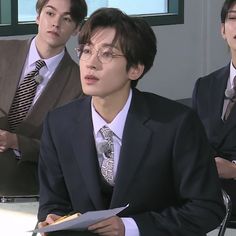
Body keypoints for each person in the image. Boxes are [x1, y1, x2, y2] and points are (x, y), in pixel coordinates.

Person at [38, 7, 224, 236]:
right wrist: (54, 220)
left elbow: (207, 209)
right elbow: (52, 203)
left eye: (106, 54)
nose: (91, 63)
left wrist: (130, 227)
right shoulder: (59, 124)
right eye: (86, 51)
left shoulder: (176, 124)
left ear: (135, 69)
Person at [0, 0, 87, 197]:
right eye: (50, 13)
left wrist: (16, 142)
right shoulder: (2, 51)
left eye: (66, 19)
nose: (56, 23)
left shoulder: (79, 83)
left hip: (24, 177)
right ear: (38, 16)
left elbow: (69, 149)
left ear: (76, 29)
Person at [192, 0, 236, 221]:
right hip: (204, 199)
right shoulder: (205, 85)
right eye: (234, 18)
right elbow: (192, 142)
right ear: (222, 30)